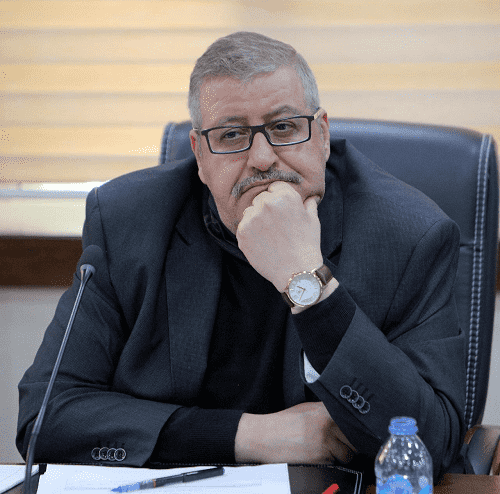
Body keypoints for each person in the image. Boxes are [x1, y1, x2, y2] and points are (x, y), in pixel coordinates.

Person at [17, 31, 465, 479]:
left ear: (322, 135)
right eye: (232, 135)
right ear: (199, 155)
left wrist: (306, 282)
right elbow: (45, 416)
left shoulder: (408, 236)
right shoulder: (128, 222)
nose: (262, 158)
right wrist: (254, 436)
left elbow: (430, 443)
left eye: (284, 127)